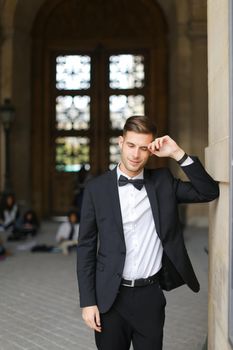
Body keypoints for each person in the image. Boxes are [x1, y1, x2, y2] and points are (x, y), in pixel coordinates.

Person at [76, 115, 219, 350]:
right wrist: (88, 301)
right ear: (120, 142)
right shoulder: (96, 189)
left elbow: (209, 192)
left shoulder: (163, 182)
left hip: (150, 296)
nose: (135, 154)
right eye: (131, 145)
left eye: (143, 148)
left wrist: (177, 154)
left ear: (151, 150)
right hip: (109, 298)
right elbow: (86, 248)